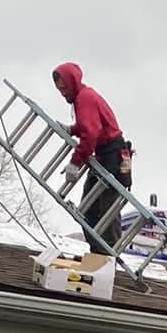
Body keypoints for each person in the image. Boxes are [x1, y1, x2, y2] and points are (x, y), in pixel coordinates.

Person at [52, 62, 130, 246]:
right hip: (108, 155)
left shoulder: (83, 99)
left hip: (112, 157)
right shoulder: (85, 96)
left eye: (64, 89)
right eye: (60, 90)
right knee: (90, 209)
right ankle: (99, 252)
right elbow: (93, 125)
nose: (63, 93)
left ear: (72, 82)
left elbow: (91, 133)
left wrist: (75, 162)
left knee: (103, 210)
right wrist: (72, 129)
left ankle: (106, 256)